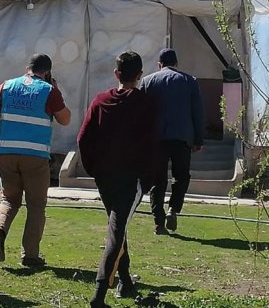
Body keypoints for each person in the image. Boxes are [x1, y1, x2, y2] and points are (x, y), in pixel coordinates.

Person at [78, 51, 156, 308]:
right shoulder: (144, 103)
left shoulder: (100, 101)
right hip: (129, 178)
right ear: (140, 75)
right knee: (117, 231)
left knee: (118, 227)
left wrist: (93, 168)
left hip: (105, 177)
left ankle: (125, 280)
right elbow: (151, 144)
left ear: (116, 74)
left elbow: (83, 138)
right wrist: (147, 178)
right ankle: (99, 295)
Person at [0, 54, 71, 267]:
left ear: (28, 68)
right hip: (35, 157)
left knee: (9, 199)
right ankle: (30, 255)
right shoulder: (49, 91)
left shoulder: (5, 87)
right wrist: (57, 91)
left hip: (6, 154)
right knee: (36, 206)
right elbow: (65, 119)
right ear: (47, 72)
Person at [140, 48, 204, 235]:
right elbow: (197, 113)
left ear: (159, 65)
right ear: (177, 63)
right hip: (181, 137)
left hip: (156, 139)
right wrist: (198, 139)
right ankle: (173, 209)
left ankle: (158, 223)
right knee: (181, 176)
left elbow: (141, 114)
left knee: (157, 180)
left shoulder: (148, 81)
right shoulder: (189, 81)